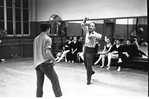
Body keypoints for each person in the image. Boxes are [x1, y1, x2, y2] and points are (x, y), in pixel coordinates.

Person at [33, 23, 62, 97]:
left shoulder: (36, 39)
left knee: (39, 83)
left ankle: (38, 97)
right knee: (55, 80)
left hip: (37, 64)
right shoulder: (47, 38)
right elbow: (48, 52)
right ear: (48, 29)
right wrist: (54, 60)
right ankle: (58, 96)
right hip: (45, 63)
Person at [81, 17, 102, 85]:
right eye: (90, 25)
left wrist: (93, 36)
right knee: (85, 64)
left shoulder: (95, 33)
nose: (91, 27)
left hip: (91, 50)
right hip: (86, 49)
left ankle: (88, 80)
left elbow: (100, 36)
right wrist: (85, 20)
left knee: (89, 65)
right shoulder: (87, 31)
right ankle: (91, 71)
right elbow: (82, 25)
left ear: (95, 27)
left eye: (92, 26)